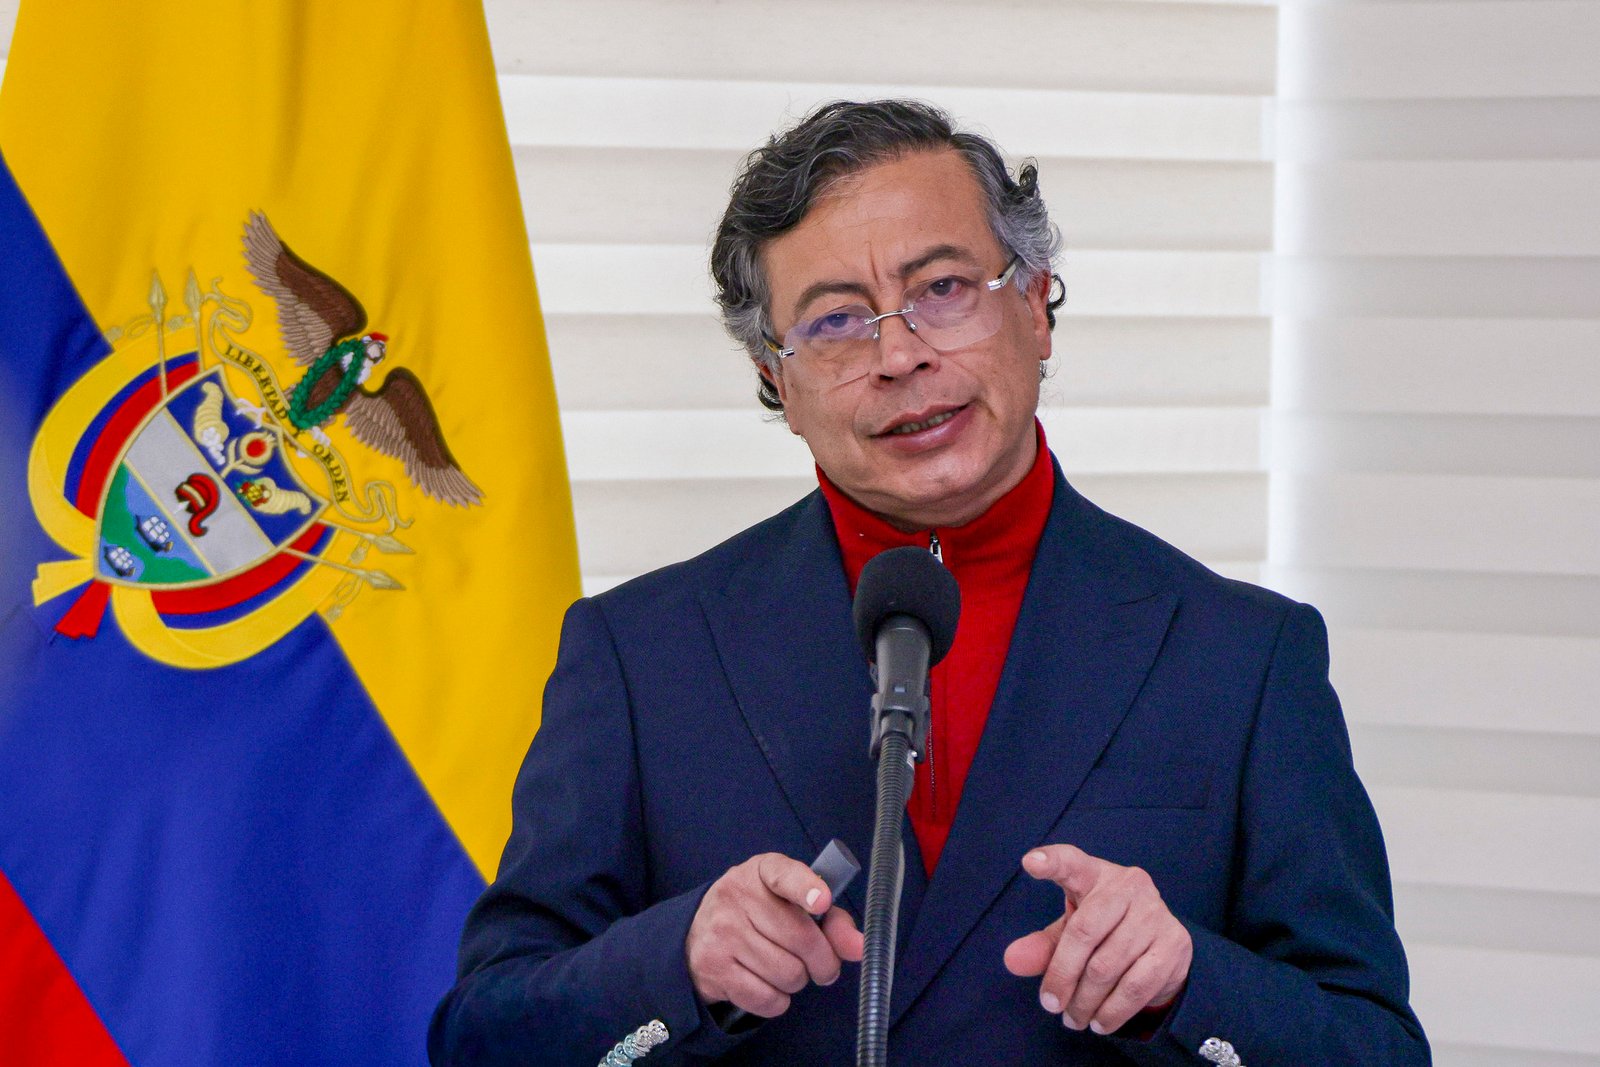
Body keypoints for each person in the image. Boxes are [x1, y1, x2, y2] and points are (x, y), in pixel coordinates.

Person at [429, 100, 1430, 1065]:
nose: (900, 354)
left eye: (943, 289)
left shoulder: (1240, 654)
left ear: (1034, 304)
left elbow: (1376, 1046)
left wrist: (1184, 983)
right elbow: (481, 1035)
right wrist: (676, 965)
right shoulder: (640, 651)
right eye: (835, 320)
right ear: (774, 378)